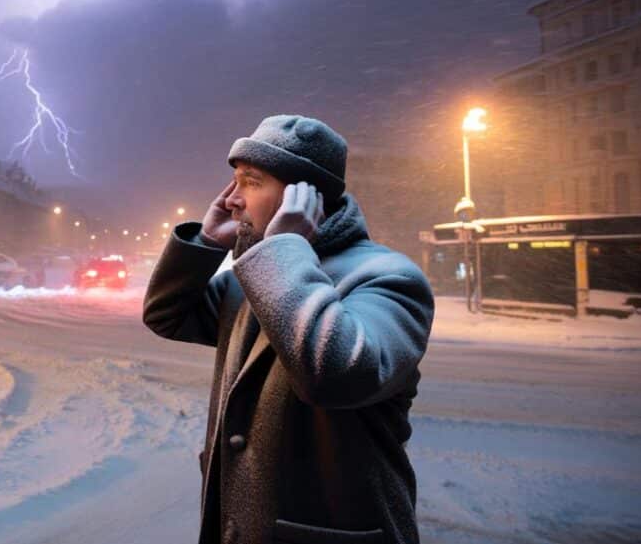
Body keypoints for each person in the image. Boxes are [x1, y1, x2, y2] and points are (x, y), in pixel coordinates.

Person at [143, 115, 435, 544]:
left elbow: (334, 376)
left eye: (251, 181)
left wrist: (283, 249)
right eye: (234, 182)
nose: (232, 201)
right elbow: (168, 314)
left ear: (303, 198)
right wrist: (206, 243)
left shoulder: (388, 277)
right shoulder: (255, 275)